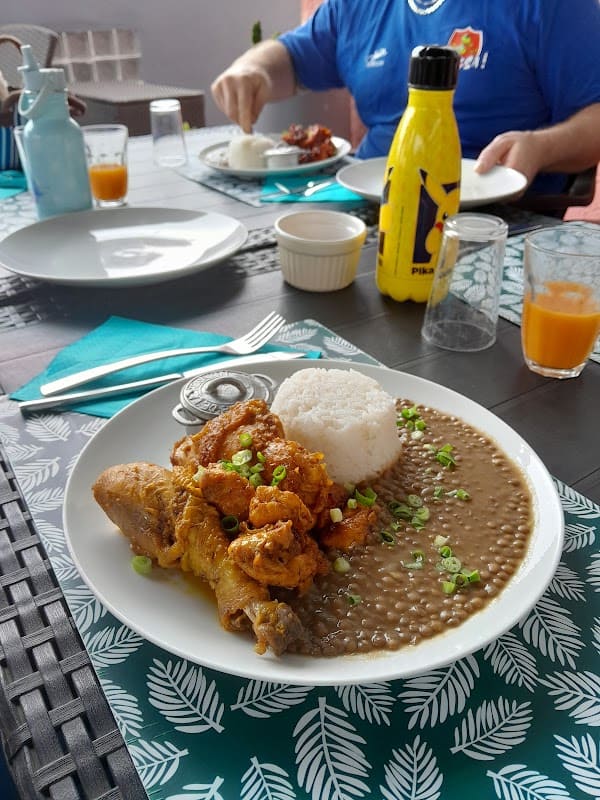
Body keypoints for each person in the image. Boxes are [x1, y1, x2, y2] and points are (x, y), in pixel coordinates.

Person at [211, 0, 600, 195]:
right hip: (362, 203)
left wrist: (541, 147)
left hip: (489, 219)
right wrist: (254, 68)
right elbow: (292, 58)